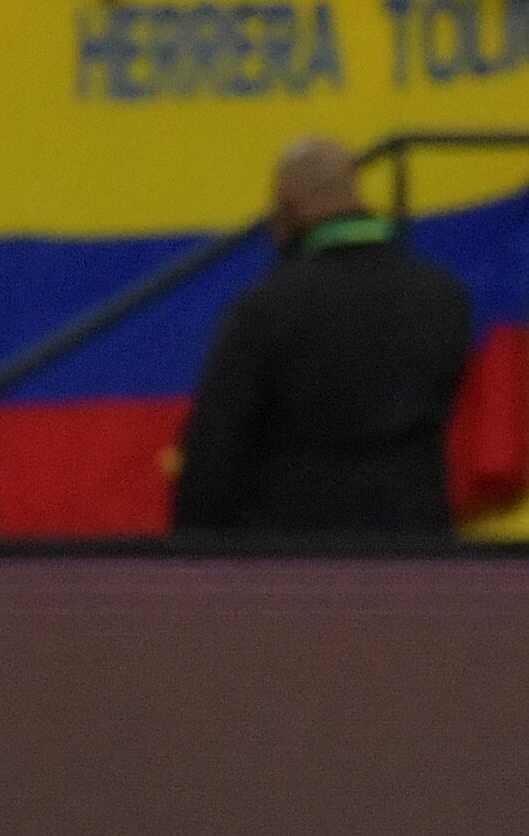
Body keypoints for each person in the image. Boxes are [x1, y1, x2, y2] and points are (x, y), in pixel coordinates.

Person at [173, 137, 474, 537]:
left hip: (297, 560)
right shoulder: (444, 296)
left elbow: (213, 451)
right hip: (415, 546)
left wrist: (193, 559)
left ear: (286, 204)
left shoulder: (266, 309)